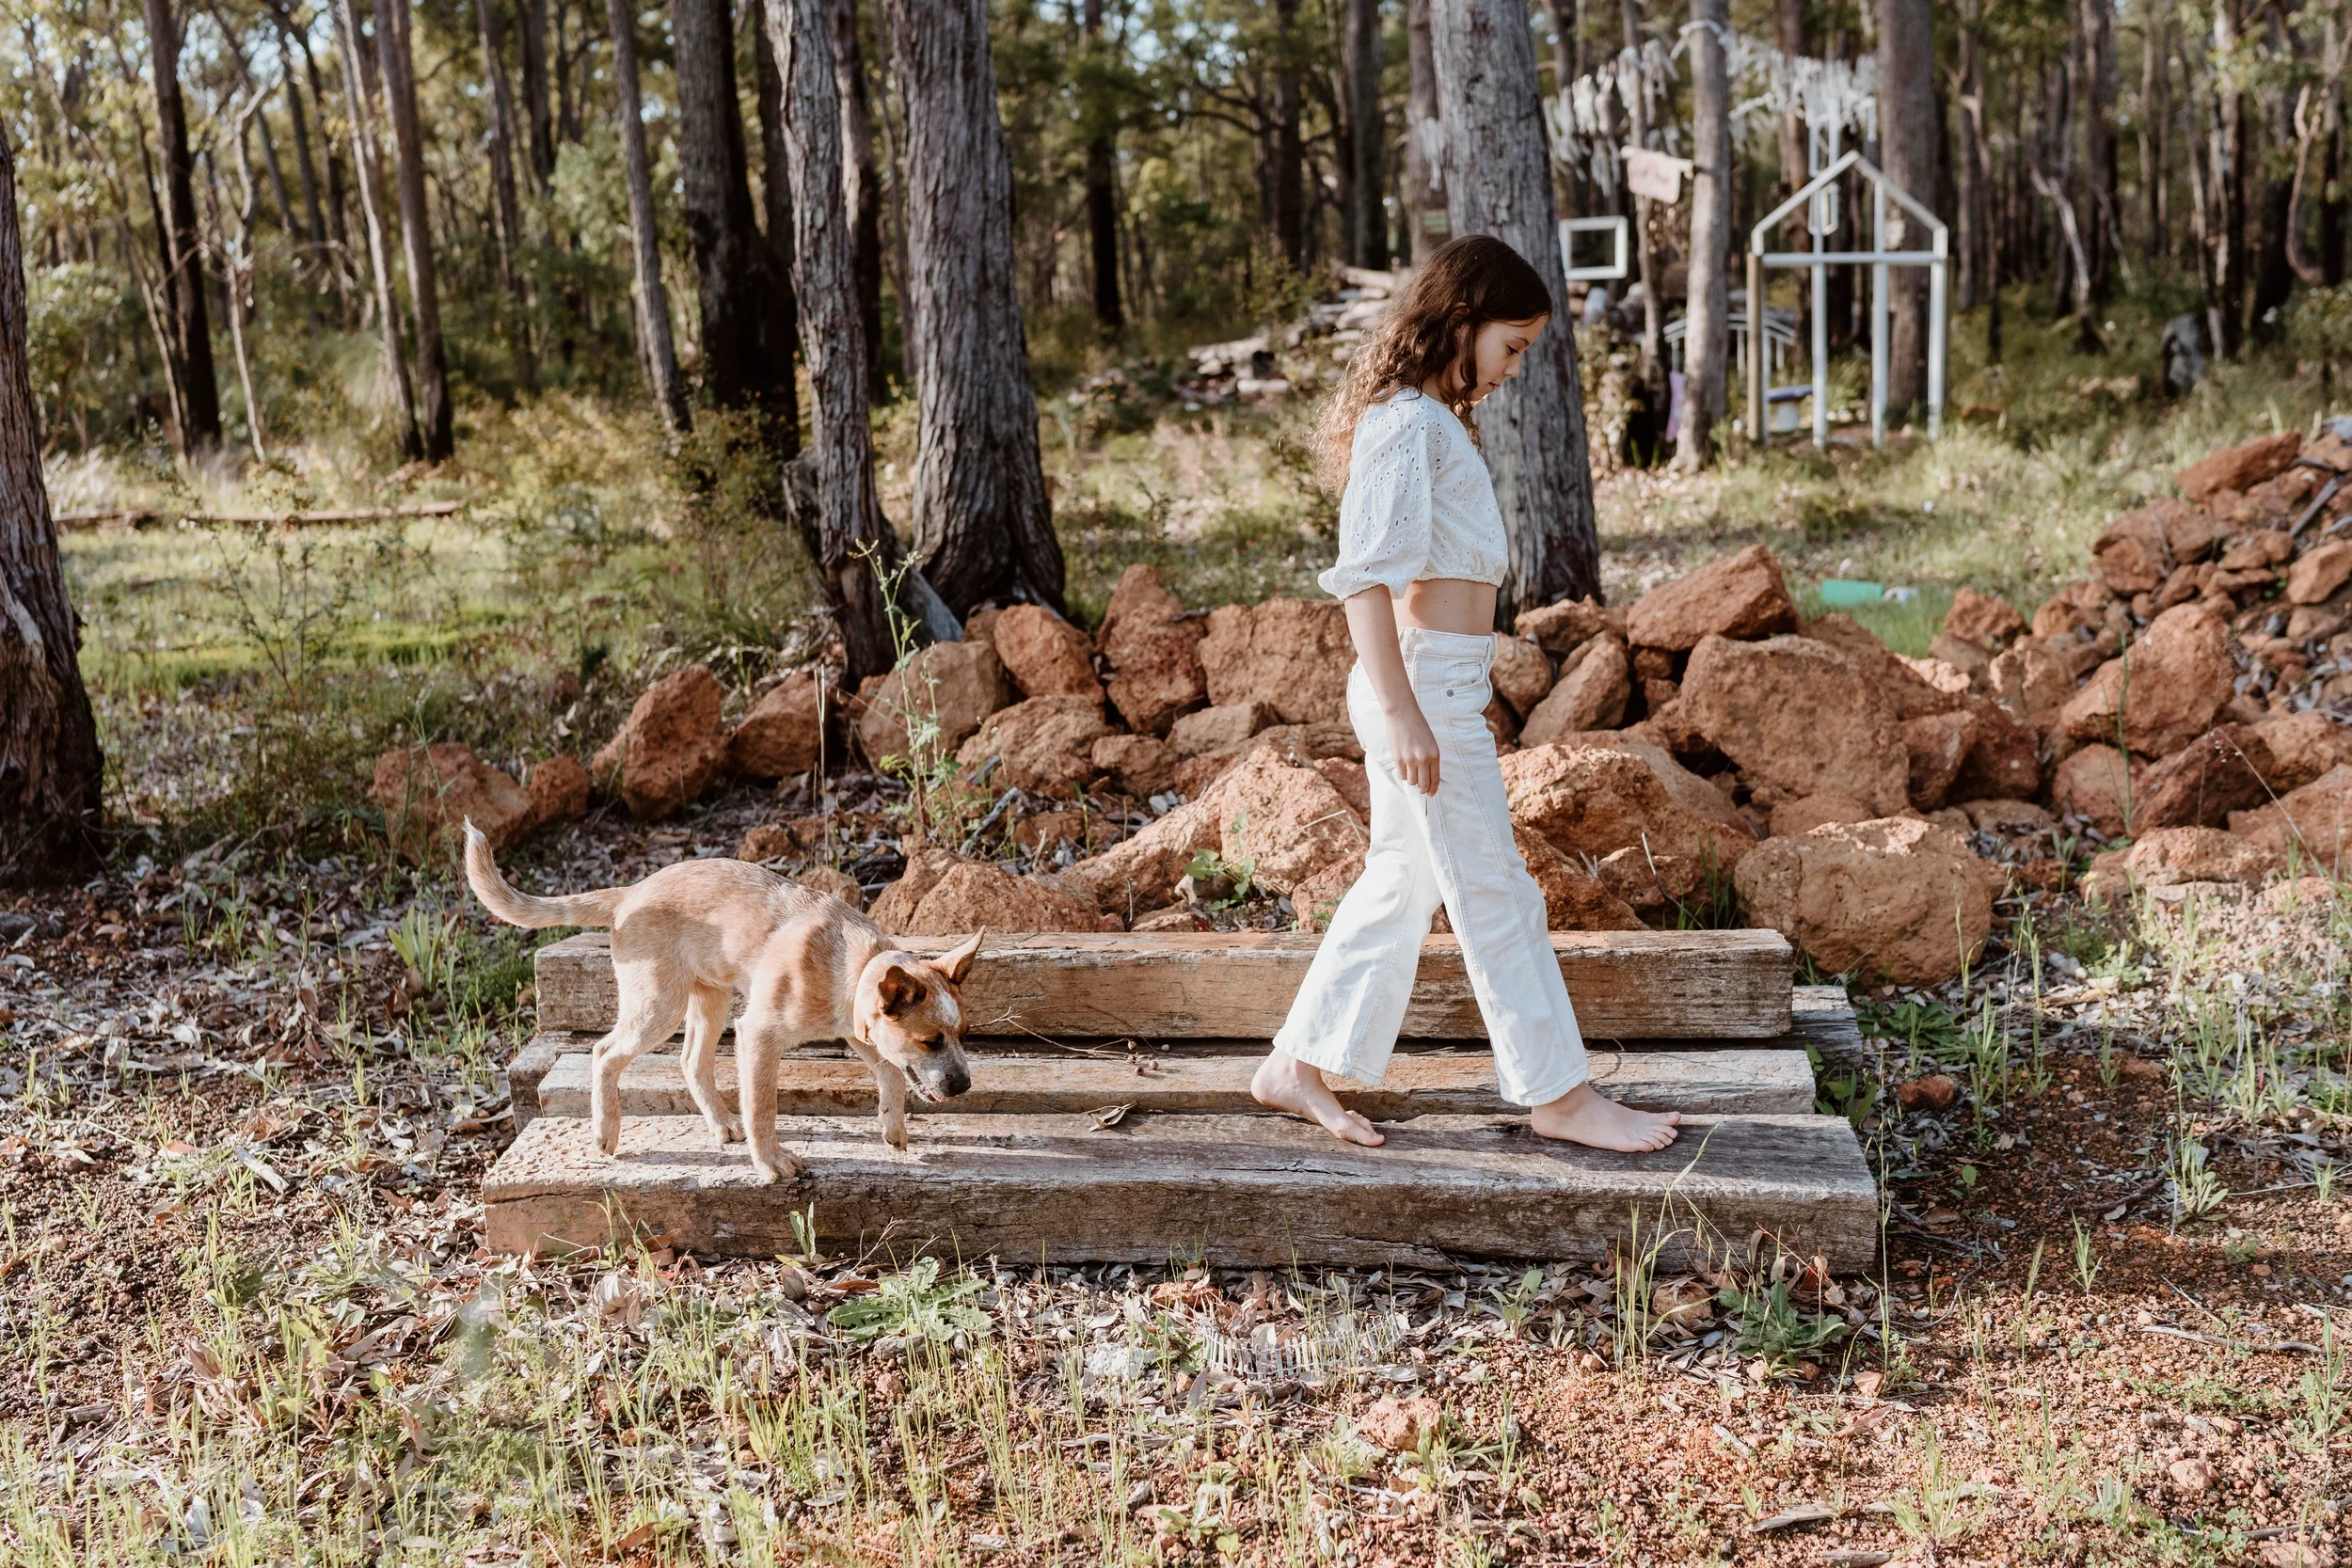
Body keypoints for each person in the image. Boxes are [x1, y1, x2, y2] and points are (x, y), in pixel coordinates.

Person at [1248, 233, 1683, 1154]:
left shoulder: (1429, 421)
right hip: (1418, 686)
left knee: (1402, 883)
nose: (1513, 369)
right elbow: (1363, 579)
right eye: (1510, 346)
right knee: (1496, 891)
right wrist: (1406, 709)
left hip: (1437, 680)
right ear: (1460, 319)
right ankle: (1557, 1094)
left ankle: (1296, 1063)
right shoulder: (1406, 423)